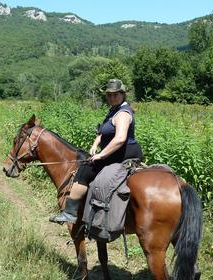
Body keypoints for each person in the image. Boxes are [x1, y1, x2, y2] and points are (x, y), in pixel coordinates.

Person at [50, 79, 143, 224]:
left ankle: (69, 213)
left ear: (123, 94)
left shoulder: (123, 114)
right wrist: (95, 145)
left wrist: (101, 154)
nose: (112, 98)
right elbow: (102, 132)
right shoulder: (114, 110)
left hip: (123, 153)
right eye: (109, 95)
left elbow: (119, 139)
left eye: (115, 95)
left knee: (85, 169)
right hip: (115, 151)